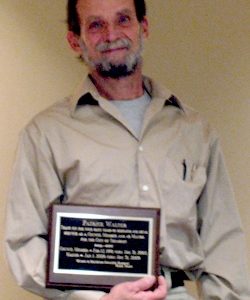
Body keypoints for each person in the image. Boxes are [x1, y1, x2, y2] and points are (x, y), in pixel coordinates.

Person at [5, 0, 250, 299]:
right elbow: (25, 241)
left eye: (123, 19)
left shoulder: (194, 130)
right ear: (74, 39)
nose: (112, 35)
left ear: (143, 27)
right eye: (96, 25)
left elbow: (222, 241)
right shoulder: (45, 134)